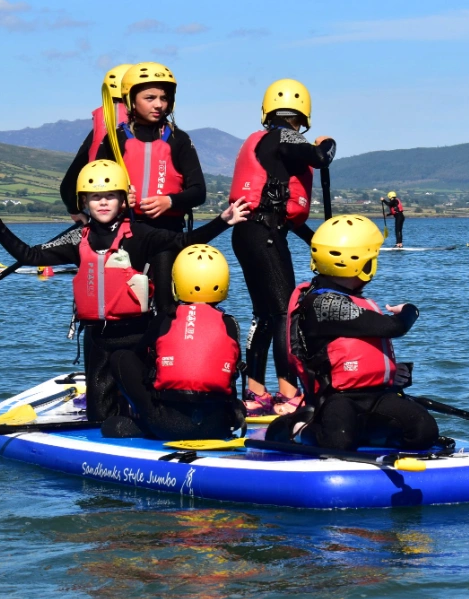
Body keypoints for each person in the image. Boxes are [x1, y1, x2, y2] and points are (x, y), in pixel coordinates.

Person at [0, 159, 249, 429]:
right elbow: (29, 255)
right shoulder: (78, 238)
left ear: (123, 200)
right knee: (99, 417)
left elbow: (184, 240)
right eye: (94, 197)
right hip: (98, 338)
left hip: (138, 338)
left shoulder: (140, 234)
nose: (102, 202)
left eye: (110, 196)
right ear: (84, 202)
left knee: (143, 404)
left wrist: (223, 221)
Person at [267, 214, 439, 452]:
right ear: (363, 263)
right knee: (339, 442)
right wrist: (410, 310)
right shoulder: (324, 304)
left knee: (424, 431)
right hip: (338, 399)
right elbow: (395, 327)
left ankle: (372, 435)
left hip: (377, 395)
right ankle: (297, 428)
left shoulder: (348, 300)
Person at [229, 78, 337, 416]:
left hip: (250, 233)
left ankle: (256, 393)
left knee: (265, 315)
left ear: (267, 110)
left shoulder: (266, 142)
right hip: (264, 235)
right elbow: (320, 156)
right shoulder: (286, 136)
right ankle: (288, 394)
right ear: (302, 115)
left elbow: (284, 212)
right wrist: (329, 142)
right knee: (283, 315)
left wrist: (317, 241)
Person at [95, 62, 208, 312]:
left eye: (164, 98)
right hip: (126, 235)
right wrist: (121, 200)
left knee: (165, 306)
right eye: (150, 98)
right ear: (131, 100)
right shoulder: (116, 139)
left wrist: (170, 201)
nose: (159, 104)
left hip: (167, 235)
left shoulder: (179, 139)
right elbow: (93, 192)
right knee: (125, 307)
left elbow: (199, 191)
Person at [106, 244, 246, 439]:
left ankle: (141, 419)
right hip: (217, 426)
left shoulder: (164, 319)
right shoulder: (230, 324)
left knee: (121, 358)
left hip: (167, 425)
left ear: (176, 283)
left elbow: (138, 359)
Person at [59, 64, 132, 224]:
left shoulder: (101, 130)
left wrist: (74, 209)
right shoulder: (160, 129)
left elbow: (69, 183)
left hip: (107, 219)